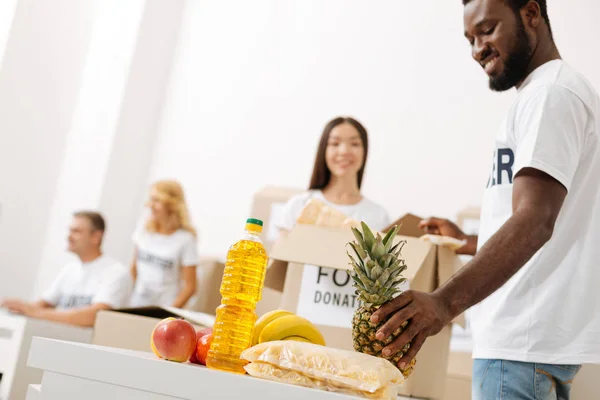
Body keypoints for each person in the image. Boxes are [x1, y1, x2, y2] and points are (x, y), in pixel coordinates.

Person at [370, 1, 600, 399]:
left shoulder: (550, 95)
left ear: (531, 14)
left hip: (517, 345)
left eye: (488, 29)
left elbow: (535, 221)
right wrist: (468, 241)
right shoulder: (550, 93)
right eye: (470, 39)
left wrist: (442, 303)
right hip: (532, 344)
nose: (477, 49)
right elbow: (552, 219)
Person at [1, 211, 133, 327]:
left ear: (96, 237)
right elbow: (41, 306)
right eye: (70, 230)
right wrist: (18, 306)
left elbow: (94, 316)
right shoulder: (69, 269)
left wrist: (34, 312)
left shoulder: (116, 273)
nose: (69, 236)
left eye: (76, 231)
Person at [276, 116, 391, 234]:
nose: (344, 151)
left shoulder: (379, 216)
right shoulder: (299, 205)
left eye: (355, 144)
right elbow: (279, 251)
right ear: (324, 151)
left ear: (365, 151)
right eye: (335, 143)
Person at [129, 180, 200, 309]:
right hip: (136, 304)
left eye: (156, 200)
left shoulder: (186, 239)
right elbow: (134, 269)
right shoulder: (144, 230)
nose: (150, 205)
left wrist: (167, 315)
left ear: (172, 204)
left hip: (164, 309)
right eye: (150, 199)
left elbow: (190, 287)